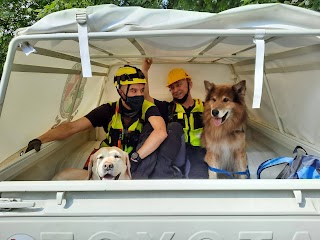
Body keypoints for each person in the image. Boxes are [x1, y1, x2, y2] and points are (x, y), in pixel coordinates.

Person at [25, 65, 184, 179]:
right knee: (66, 176)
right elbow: (72, 127)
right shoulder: (107, 110)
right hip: (107, 160)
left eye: (142, 90)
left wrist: (135, 157)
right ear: (120, 91)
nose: (139, 95)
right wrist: (41, 139)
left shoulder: (148, 107)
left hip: (132, 162)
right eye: (133, 90)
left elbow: (160, 131)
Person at [142, 59, 208, 179]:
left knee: (199, 177)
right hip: (177, 155)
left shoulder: (206, 107)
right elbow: (146, 98)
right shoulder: (168, 108)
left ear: (190, 84)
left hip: (199, 153)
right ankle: (170, 172)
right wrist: (145, 70)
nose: (176, 90)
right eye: (172, 88)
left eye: (178, 85)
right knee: (174, 127)